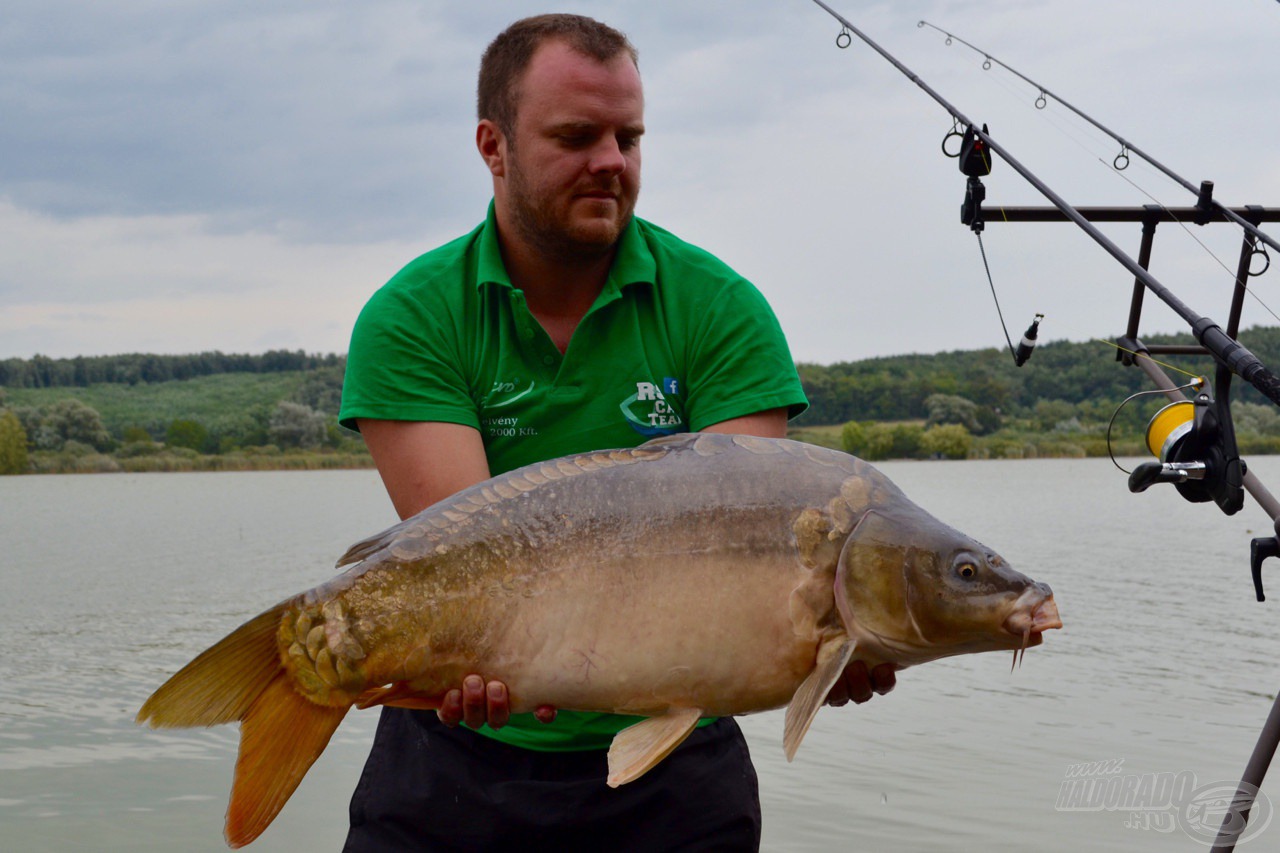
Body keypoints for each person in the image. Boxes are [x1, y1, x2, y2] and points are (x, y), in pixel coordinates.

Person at [338, 13, 895, 851]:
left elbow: (764, 539)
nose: (611, 161)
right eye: (576, 136)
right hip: (455, 766)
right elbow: (471, 572)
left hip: (678, 776)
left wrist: (833, 639)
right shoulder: (413, 316)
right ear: (493, 146)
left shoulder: (720, 308)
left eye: (628, 137)